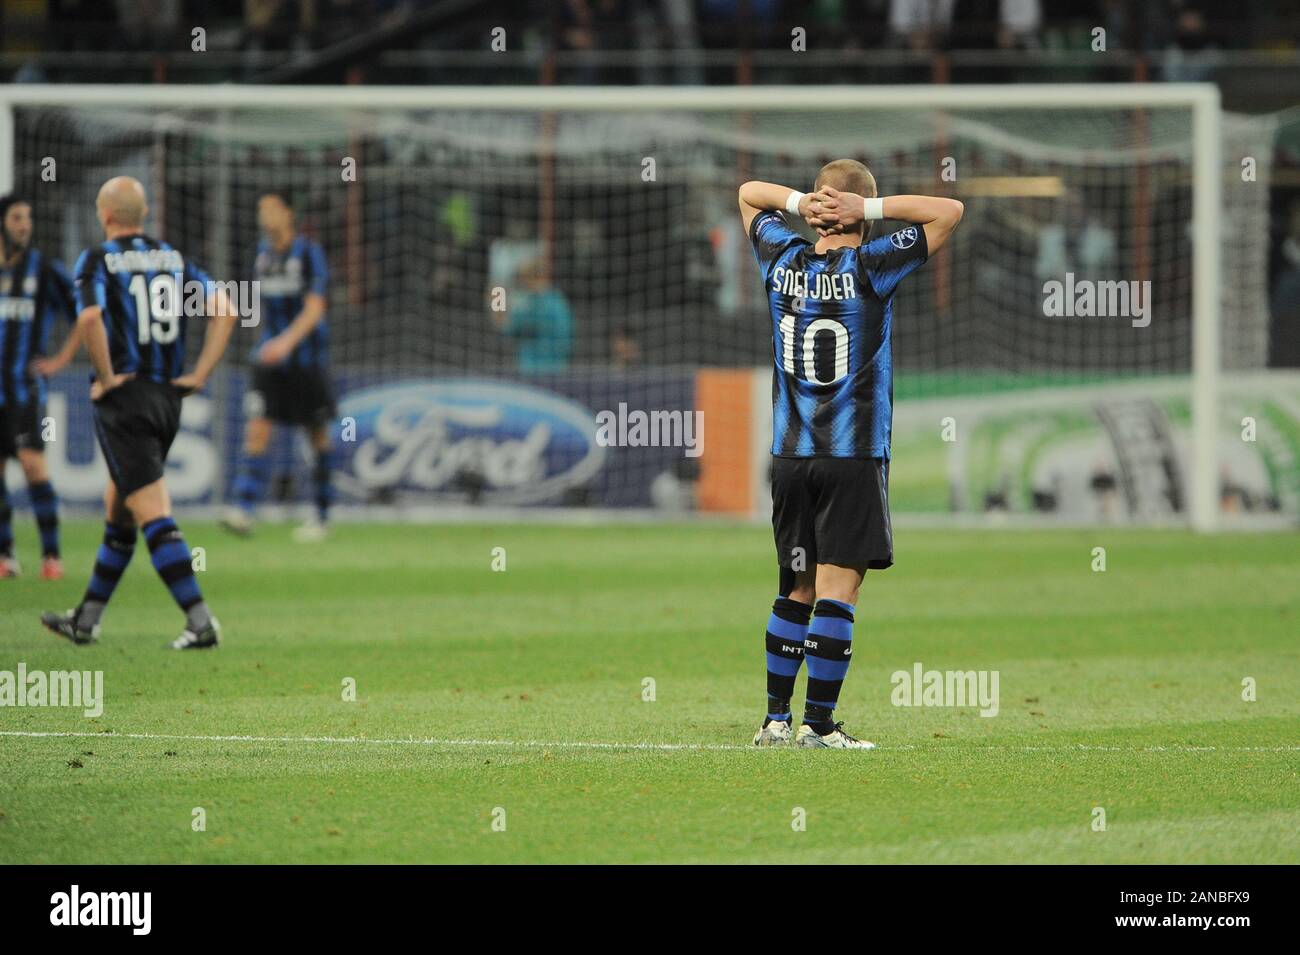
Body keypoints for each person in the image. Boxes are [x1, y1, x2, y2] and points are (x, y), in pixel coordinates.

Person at [739, 160, 963, 748]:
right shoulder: (871, 265)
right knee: (839, 591)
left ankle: (774, 721)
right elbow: (949, 212)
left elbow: (747, 195)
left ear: (819, 207)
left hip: (789, 458)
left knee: (795, 588)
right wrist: (864, 210)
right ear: (858, 211)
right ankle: (817, 725)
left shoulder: (782, 260)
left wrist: (796, 201)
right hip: (852, 453)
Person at [41, 176, 237, 649]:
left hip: (126, 401)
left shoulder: (97, 259)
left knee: (151, 509)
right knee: (121, 506)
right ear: (142, 213)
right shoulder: (173, 257)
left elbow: (89, 318)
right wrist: (201, 374)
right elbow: (226, 308)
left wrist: (106, 378)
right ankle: (86, 619)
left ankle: (200, 621)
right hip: (168, 398)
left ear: (105, 214)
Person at [222, 192, 335, 541]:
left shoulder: (308, 253)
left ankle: (321, 515)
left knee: (316, 435)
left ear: (289, 214)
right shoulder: (260, 255)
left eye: (271, 209)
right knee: (258, 427)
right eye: (260, 209)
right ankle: (244, 508)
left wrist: (286, 342)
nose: (264, 216)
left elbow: (316, 308)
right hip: (270, 361)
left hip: (306, 361)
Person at [0, 194, 81, 580]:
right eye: (17, 217)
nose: (24, 224)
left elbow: (85, 314)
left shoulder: (44, 269)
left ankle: (51, 556)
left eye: (28, 217)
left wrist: (60, 361)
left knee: (33, 465)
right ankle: (5, 555)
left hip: (26, 391)